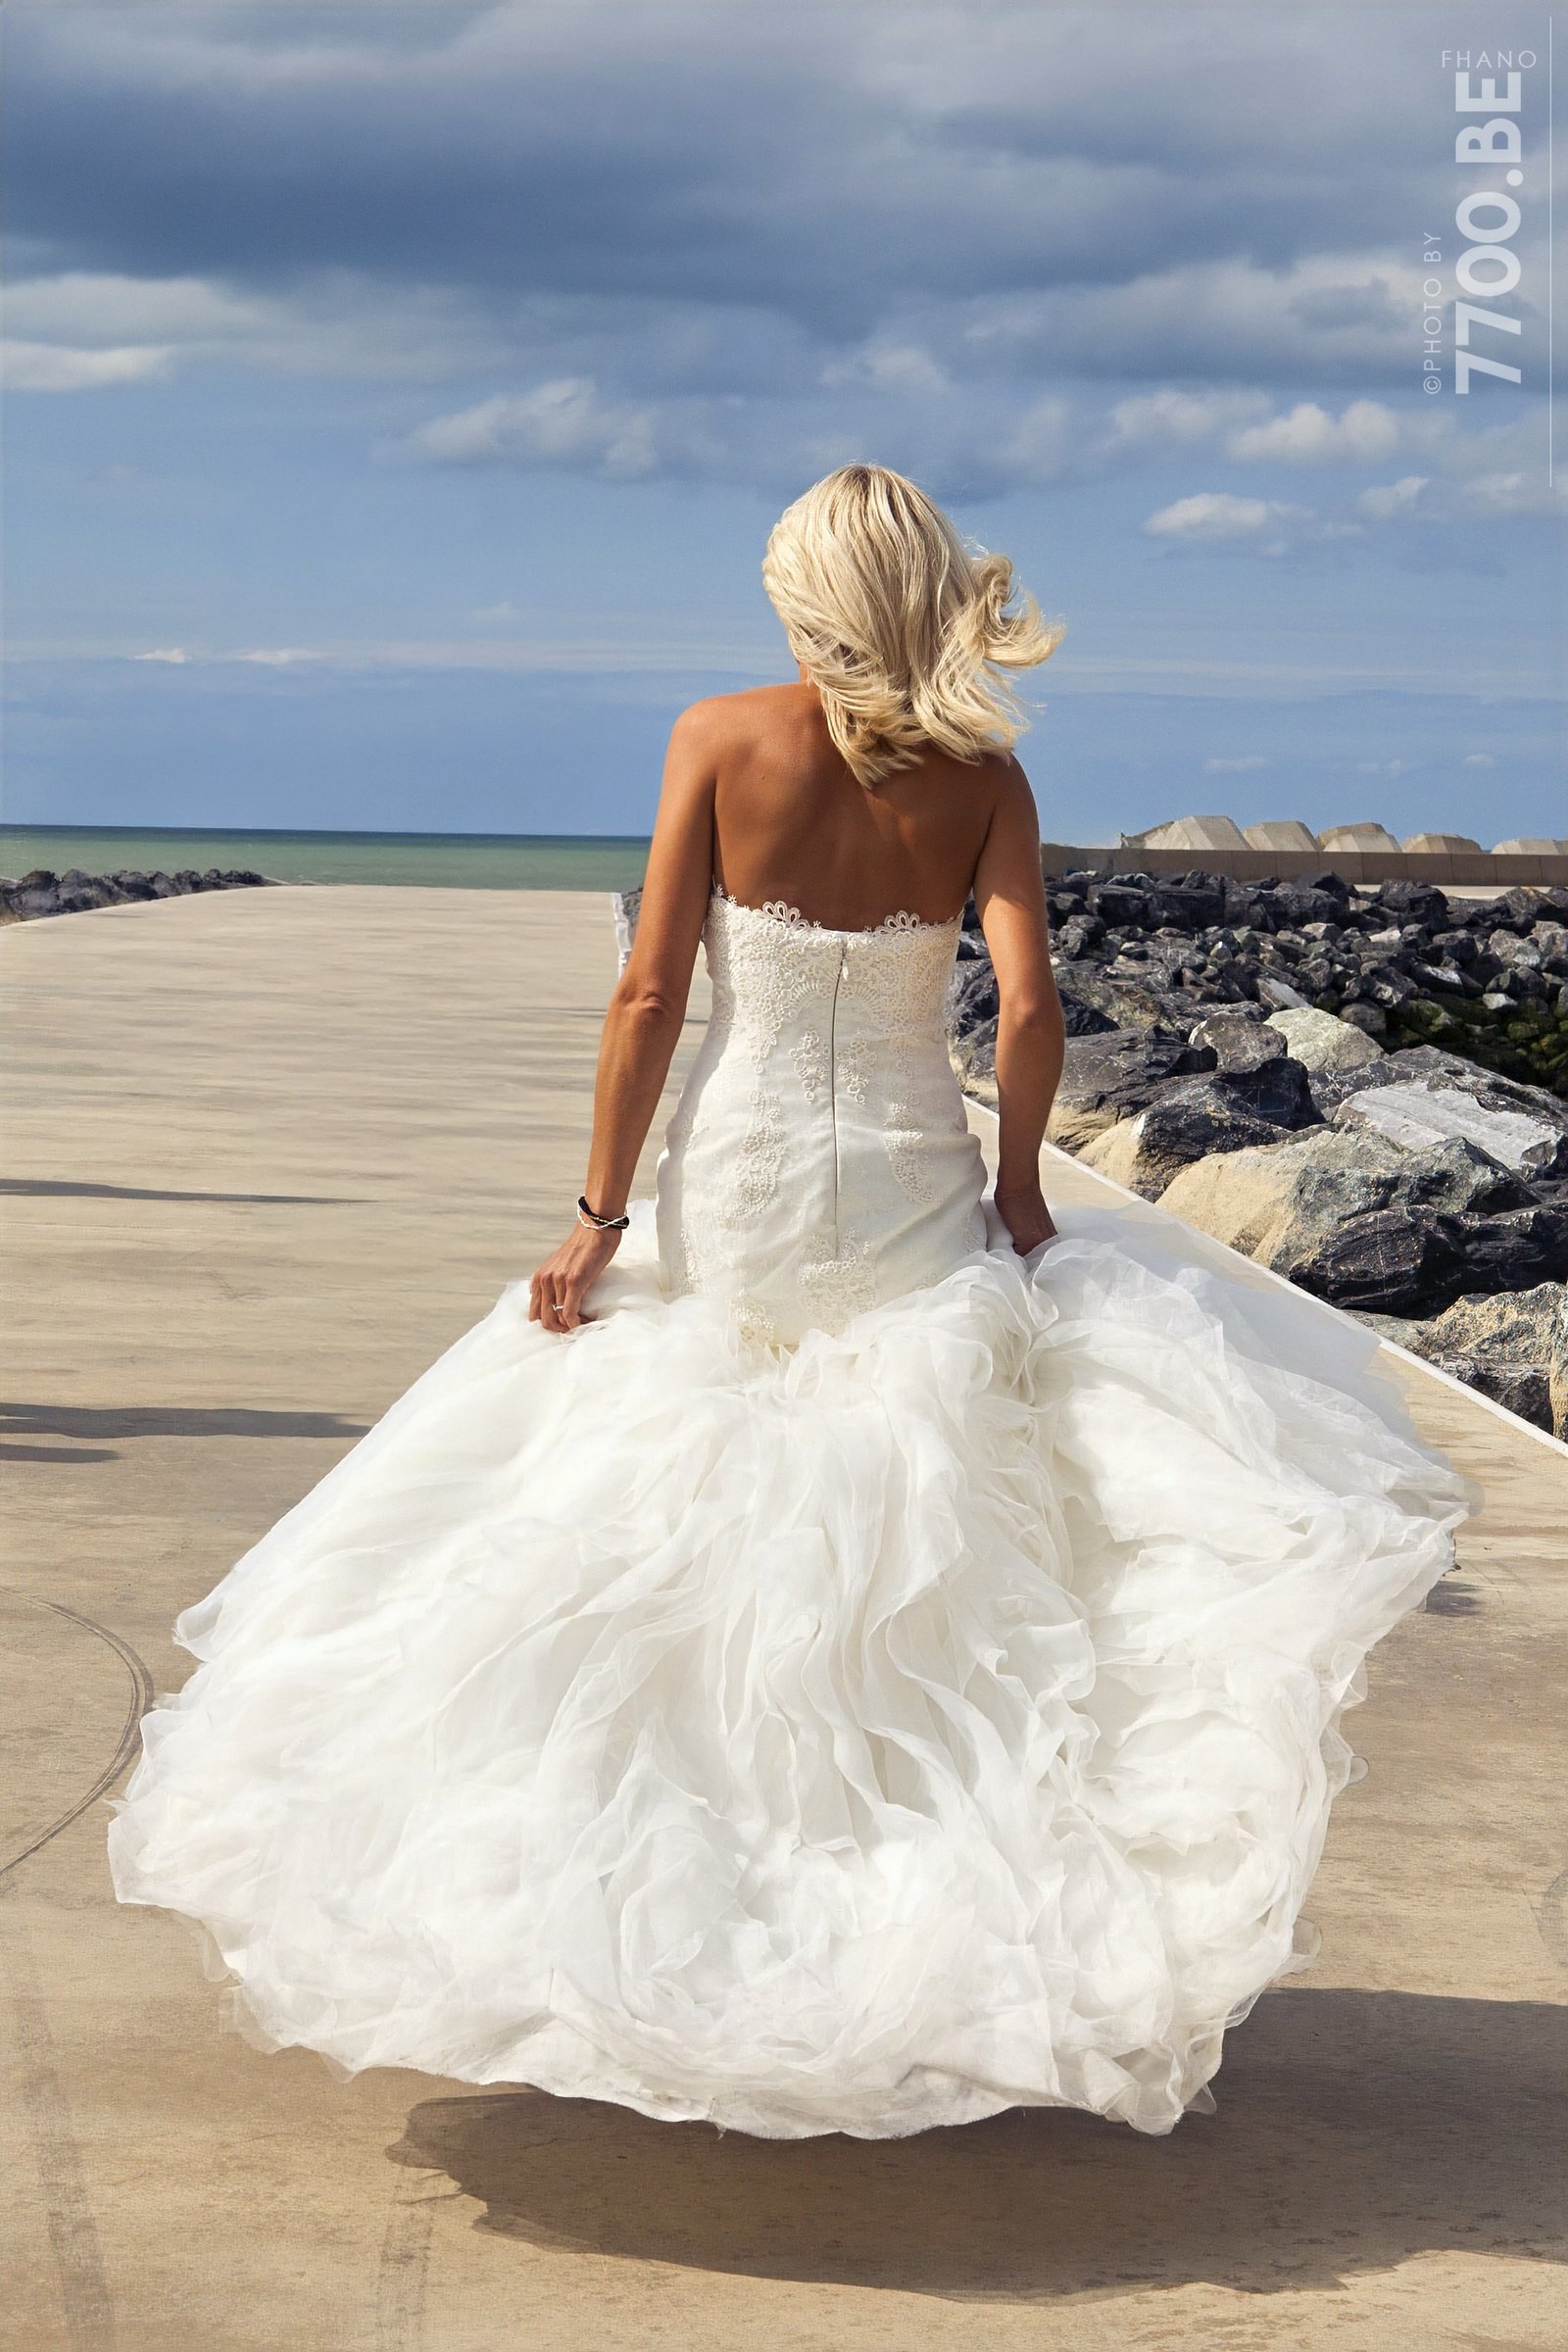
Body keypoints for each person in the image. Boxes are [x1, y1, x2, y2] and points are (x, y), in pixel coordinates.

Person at [109, 464, 1476, 2141]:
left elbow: (649, 992)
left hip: (739, 1190)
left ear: (808, 592)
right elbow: (1031, 1008)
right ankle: (894, 1909)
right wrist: (1029, 1187)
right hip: (907, 1188)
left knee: (649, 1514)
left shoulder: (717, 737)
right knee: (935, 1544)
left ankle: (666, 1912)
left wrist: (599, 1216)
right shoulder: (986, 779)